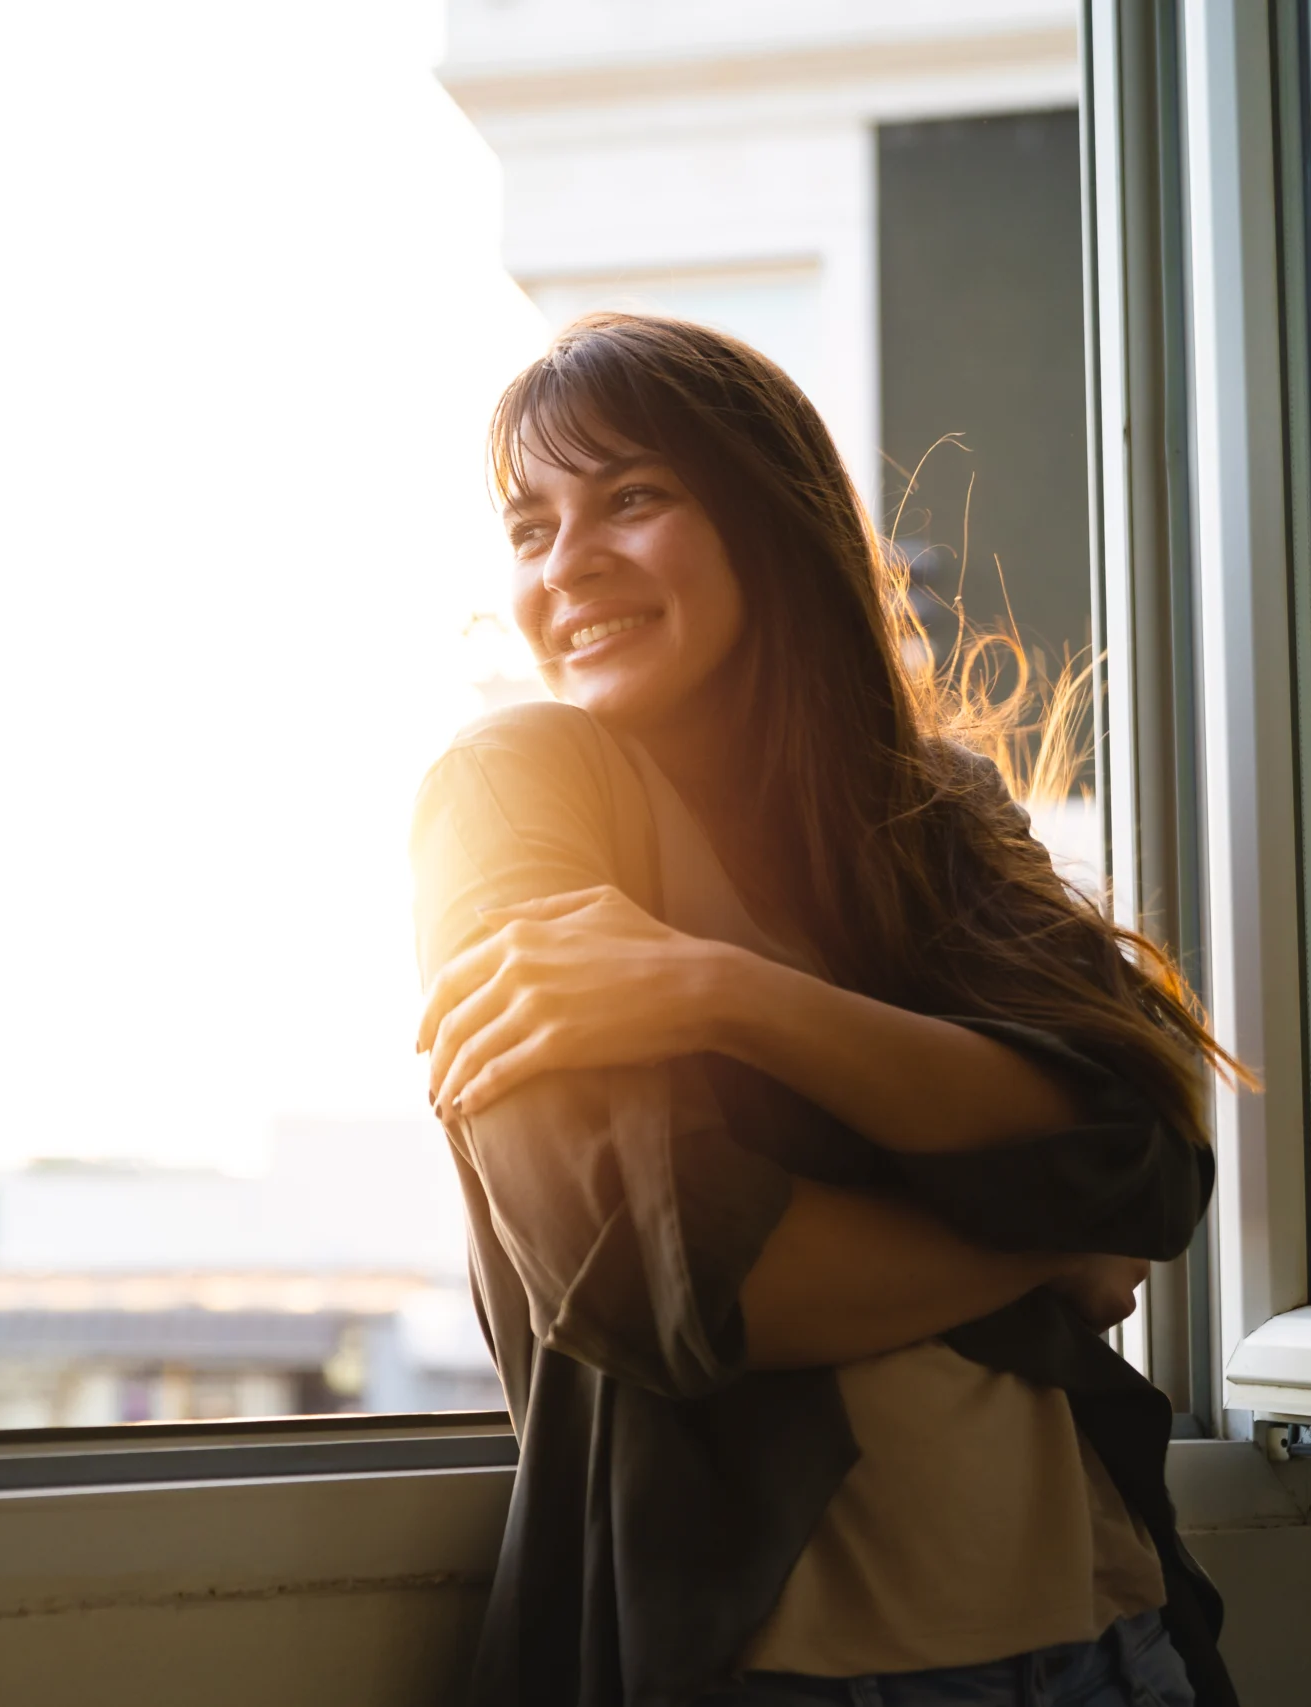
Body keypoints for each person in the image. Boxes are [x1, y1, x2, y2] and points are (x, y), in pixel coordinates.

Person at [411, 313, 1236, 1707]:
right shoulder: (516, 789)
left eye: (632, 497)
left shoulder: (938, 810)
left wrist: (723, 992)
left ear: (767, 516)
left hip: (1113, 1643)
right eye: (531, 524)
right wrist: (1045, 1243)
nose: (570, 561)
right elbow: (672, 1284)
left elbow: (1150, 1149)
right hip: (782, 1673)